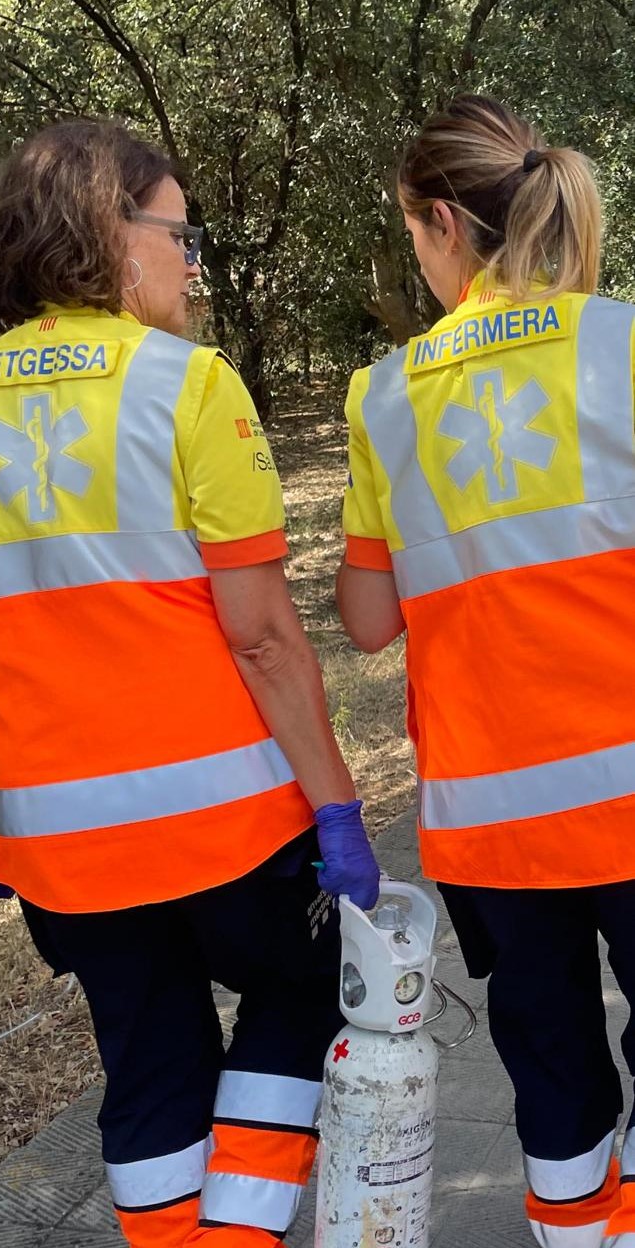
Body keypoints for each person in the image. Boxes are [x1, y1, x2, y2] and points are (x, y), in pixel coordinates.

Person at [0, 119, 380, 1248]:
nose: (192, 260)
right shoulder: (187, 387)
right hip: (226, 821)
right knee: (301, 989)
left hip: (60, 834)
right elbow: (262, 638)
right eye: (180, 233)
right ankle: (240, 1233)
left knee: (148, 1054)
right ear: (114, 238)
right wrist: (340, 810)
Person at [336, 93, 635, 1248]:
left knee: (548, 1057)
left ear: (438, 225)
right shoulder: (620, 342)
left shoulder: (385, 396)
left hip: (496, 812)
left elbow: (366, 621)